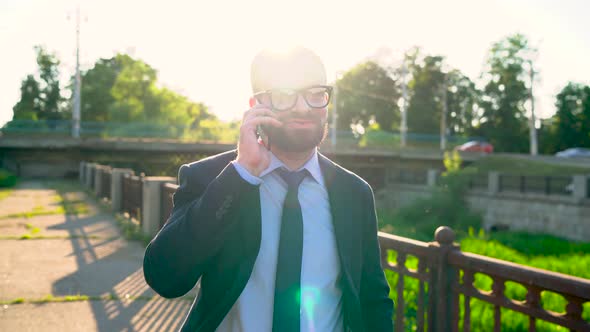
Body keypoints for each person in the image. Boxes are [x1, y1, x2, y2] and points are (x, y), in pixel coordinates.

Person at [143, 46, 393, 332]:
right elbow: (165, 278)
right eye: (285, 95)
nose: (303, 107)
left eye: (315, 94)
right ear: (255, 105)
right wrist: (241, 175)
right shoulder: (212, 177)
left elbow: (373, 299)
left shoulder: (354, 192)